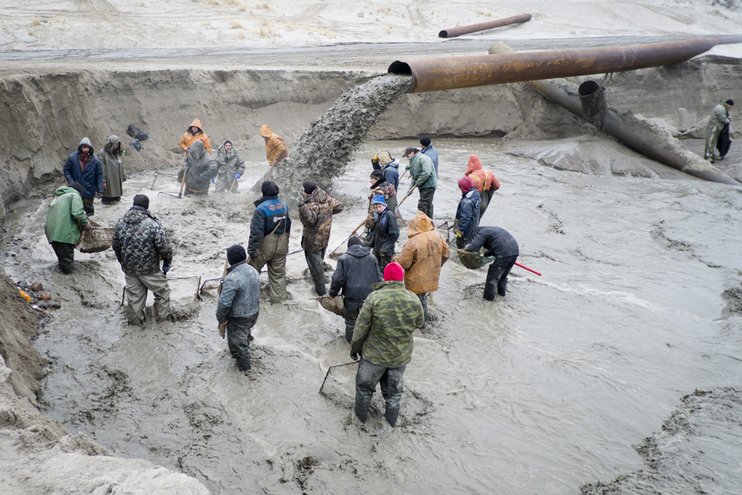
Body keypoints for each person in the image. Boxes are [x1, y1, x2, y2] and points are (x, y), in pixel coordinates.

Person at [350, 261, 424, 427]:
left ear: (385, 278)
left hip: (373, 357)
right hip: (399, 357)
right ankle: (391, 425)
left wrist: (354, 349)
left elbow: (361, 328)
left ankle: (359, 423)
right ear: (401, 279)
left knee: (364, 388)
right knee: (394, 394)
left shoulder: (374, 298)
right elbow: (420, 323)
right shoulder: (414, 299)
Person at [112, 194, 173, 325]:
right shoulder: (152, 224)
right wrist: (167, 262)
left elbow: (115, 246)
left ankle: (135, 326)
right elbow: (164, 247)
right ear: (147, 207)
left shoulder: (120, 223)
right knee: (163, 292)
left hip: (129, 269)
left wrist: (122, 262)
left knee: (135, 299)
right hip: (150, 270)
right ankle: (163, 324)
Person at [395, 211, 449, 323]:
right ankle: (423, 320)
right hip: (432, 274)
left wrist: (395, 259)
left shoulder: (413, 242)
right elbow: (446, 254)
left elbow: (403, 263)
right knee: (423, 297)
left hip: (416, 278)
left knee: (416, 300)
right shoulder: (438, 236)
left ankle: (419, 323)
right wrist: (438, 264)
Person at [216, 245, 260, 372]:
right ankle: (247, 342)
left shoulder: (232, 278)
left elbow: (224, 303)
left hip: (239, 317)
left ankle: (246, 372)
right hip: (254, 312)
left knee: (238, 347)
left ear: (230, 260)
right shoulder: (253, 270)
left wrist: (220, 318)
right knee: (245, 335)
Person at [329, 235, 382, 342]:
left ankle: (350, 346)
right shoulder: (372, 258)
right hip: (370, 297)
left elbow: (337, 279)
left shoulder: (343, 259)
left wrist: (333, 293)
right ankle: (366, 343)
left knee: (351, 322)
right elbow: (379, 278)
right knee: (368, 321)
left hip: (351, 298)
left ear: (349, 247)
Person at [248, 181, 291, 303]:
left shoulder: (261, 209)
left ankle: (251, 301)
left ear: (263, 192)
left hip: (265, 247)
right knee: (278, 276)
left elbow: (256, 232)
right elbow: (288, 225)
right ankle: (279, 304)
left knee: (252, 272)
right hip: (282, 244)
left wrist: (252, 250)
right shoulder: (284, 205)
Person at [298, 181, 343, 296]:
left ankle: (322, 292)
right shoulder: (327, 199)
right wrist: (327, 214)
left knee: (316, 266)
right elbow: (339, 206)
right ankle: (323, 280)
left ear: (307, 192)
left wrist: (302, 206)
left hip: (312, 241)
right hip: (325, 237)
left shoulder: (311, 205)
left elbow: (310, 221)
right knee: (319, 262)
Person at [464, 226, 519, 302]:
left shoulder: (481, 233)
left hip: (504, 253)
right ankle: (501, 296)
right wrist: (485, 255)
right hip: (515, 251)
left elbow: (473, 247)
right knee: (503, 276)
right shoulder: (491, 231)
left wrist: (465, 248)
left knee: (492, 279)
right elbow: (496, 245)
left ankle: (487, 302)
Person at [44, 182, 89, 274]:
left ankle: (59, 281)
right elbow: (77, 214)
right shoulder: (75, 195)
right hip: (63, 234)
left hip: (52, 233)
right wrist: (86, 224)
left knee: (62, 260)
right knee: (67, 266)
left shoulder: (58, 197)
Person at [63, 137, 104, 216]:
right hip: (75, 190)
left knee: (90, 212)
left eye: (87, 147)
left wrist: (100, 190)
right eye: (84, 147)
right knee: (75, 211)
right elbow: (66, 170)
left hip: (89, 190)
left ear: (90, 148)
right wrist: (72, 183)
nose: (86, 149)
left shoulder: (96, 160)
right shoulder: (72, 158)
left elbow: (99, 175)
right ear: (80, 147)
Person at [367, 195, 399, 271]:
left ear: (384, 204)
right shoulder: (377, 215)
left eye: (379, 206)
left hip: (386, 250)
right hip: (377, 247)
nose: (378, 208)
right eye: (376, 207)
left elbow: (395, 234)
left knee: (387, 269)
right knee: (375, 268)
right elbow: (374, 231)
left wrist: (385, 248)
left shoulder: (389, 215)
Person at [403, 146, 437, 219]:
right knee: (428, 203)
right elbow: (414, 176)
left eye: (407, 155)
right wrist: (410, 189)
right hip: (422, 185)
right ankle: (429, 221)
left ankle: (423, 222)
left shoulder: (423, 159)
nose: (407, 157)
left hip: (429, 185)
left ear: (412, 153)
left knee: (423, 204)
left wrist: (417, 183)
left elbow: (426, 173)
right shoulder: (413, 160)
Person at [454, 176, 481, 249]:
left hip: (467, 229)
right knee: (470, 242)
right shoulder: (475, 193)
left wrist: (460, 231)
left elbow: (465, 218)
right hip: (474, 224)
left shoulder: (467, 202)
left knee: (462, 244)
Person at [100, 135, 126, 205]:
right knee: (107, 204)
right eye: (115, 144)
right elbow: (102, 168)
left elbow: (121, 165)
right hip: (109, 183)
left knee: (117, 204)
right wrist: (103, 180)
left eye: (118, 144)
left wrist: (123, 176)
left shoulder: (117, 154)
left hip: (117, 183)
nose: (116, 146)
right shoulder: (103, 153)